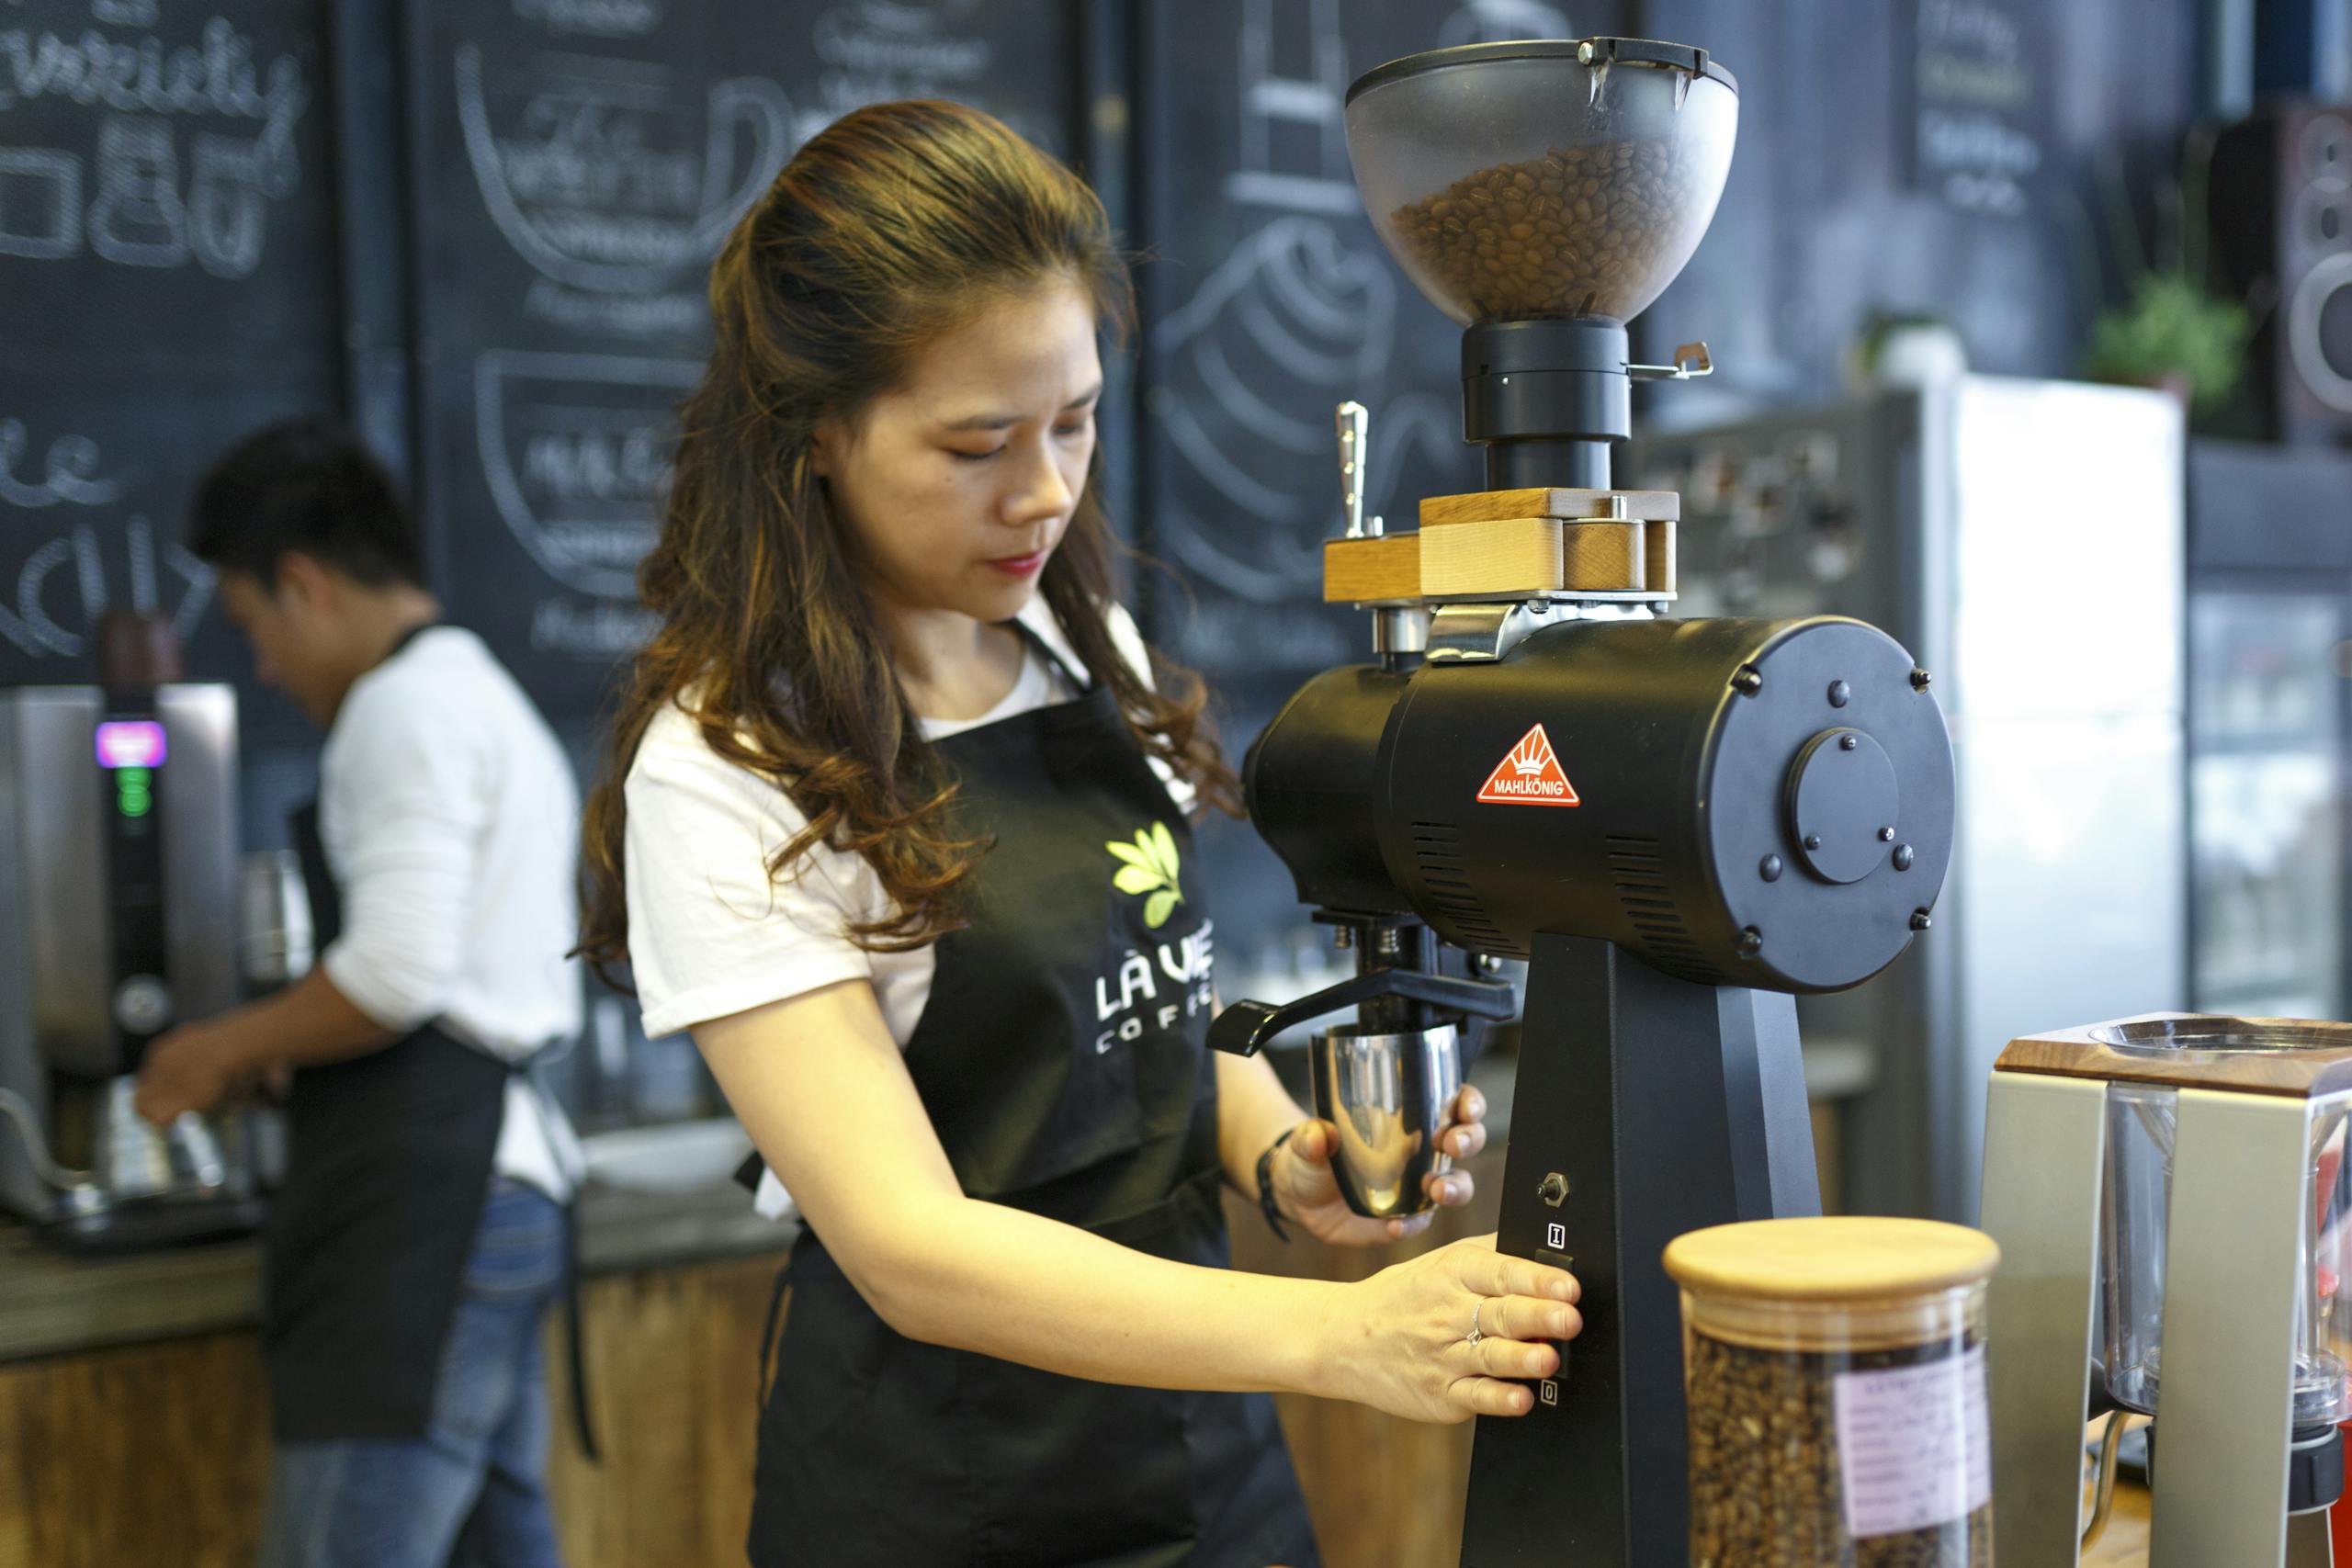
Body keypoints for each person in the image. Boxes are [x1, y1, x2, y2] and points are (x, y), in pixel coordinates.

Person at [577, 99, 1583, 1568]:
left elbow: (1149, 1006)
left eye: (1076, 416)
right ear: (816, 439)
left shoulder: (1069, 635)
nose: (1047, 489)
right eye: (980, 441)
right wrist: (1341, 1331)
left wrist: (1279, 1151)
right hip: (948, 1488)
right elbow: (909, 1245)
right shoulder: (732, 760)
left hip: (1201, 1444)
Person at [137, 420, 584, 1568]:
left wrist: (215, 1053)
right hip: (499, 1179)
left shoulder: (403, 711)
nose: (268, 669)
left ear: (304, 583)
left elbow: (394, 971)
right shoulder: (472, 686)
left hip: (430, 1207)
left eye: (253, 629)